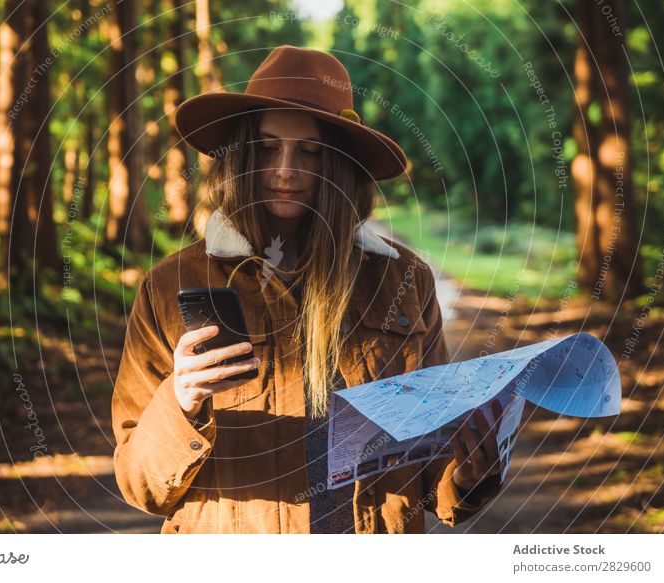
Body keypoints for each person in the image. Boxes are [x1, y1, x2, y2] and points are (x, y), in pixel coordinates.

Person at [111, 45, 503, 534]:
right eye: (268, 148)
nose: (285, 170)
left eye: (310, 151)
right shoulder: (172, 285)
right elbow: (139, 483)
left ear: (338, 164)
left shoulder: (403, 280)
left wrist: (468, 472)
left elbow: (428, 471)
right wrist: (181, 399)